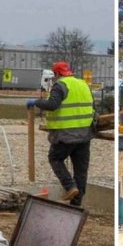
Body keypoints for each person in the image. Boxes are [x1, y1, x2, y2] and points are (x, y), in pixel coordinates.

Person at [26, 61, 95, 207]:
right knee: (81, 171)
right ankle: (76, 205)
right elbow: (92, 107)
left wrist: (36, 102)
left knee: (55, 158)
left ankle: (70, 186)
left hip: (65, 134)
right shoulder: (84, 84)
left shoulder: (60, 85)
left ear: (56, 74)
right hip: (84, 135)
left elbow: (52, 105)